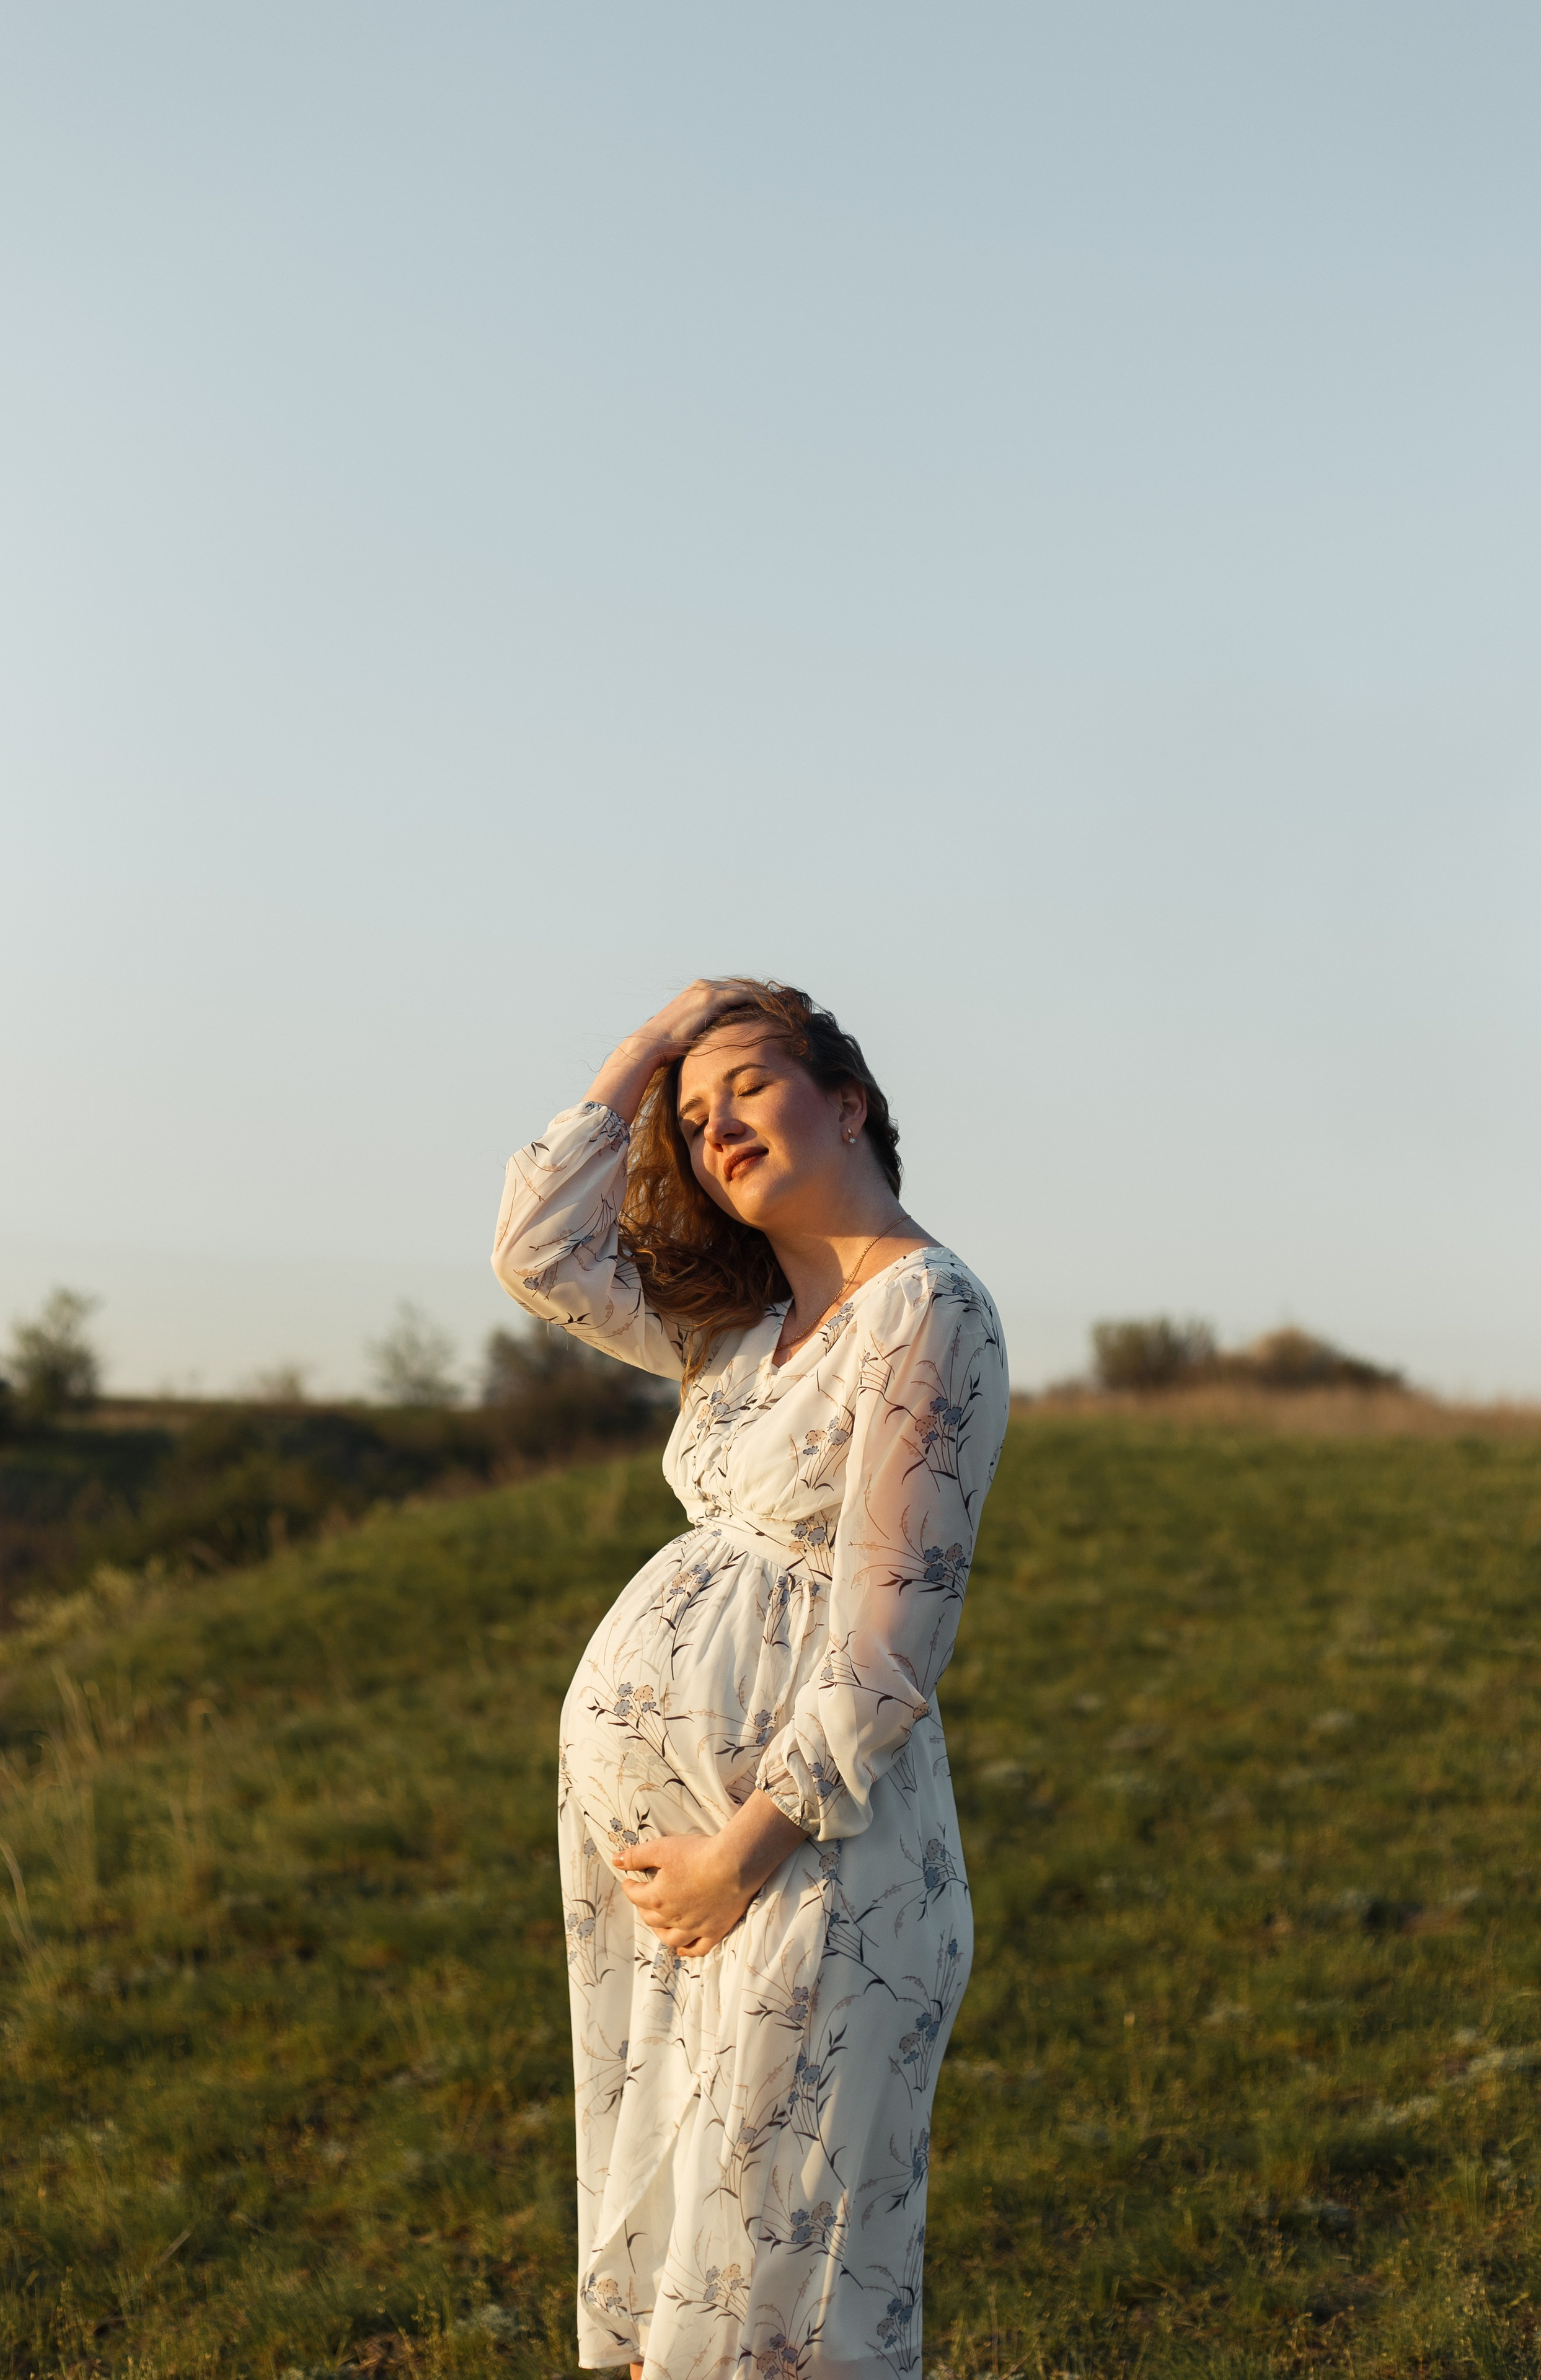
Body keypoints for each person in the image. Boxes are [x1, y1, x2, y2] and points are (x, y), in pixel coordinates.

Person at [493, 979, 1010, 2380]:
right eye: (695, 1116)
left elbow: (891, 1632)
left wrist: (739, 1853)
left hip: (802, 1871)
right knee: (688, 2272)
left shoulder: (926, 1307)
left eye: (750, 1089)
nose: (717, 1128)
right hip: (687, 1895)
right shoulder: (733, 1332)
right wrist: (642, 1054)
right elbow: (541, 1254)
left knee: (783, 2297)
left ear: (847, 1102)